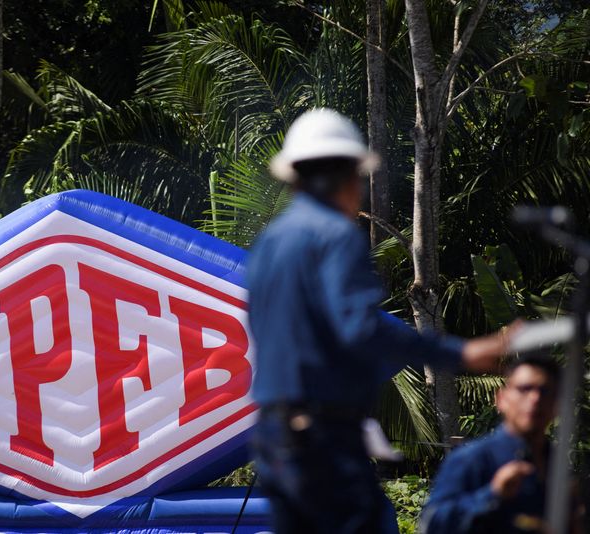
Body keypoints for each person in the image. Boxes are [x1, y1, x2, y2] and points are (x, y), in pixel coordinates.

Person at [247, 108, 515, 533]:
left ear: (294, 178)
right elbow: (361, 328)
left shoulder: (268, 244)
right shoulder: (335, 236)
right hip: (323, 437)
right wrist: (460, 352)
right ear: (352, 178)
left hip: (273, 436)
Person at [420, 356, 582, 533]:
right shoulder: (472, 459)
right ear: (501, 399)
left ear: (557, 405)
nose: (535, 398)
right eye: (524, 389)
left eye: (545, 391)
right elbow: (432, 525)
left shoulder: (557, 464)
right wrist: (492, 494)